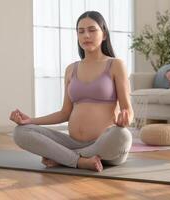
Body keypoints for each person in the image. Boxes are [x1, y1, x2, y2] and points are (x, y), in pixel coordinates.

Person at [9, 11, 133, 172]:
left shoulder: (115, 65)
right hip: (73, 142)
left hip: (104, 144)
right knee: (20, 132)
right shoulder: (71, 69)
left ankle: (65, 158)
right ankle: (80, 160)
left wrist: (125, 120)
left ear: (104, 35)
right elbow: (64, 113)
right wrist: (30, 120)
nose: (86, 35)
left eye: (92, 30)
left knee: (123, 136)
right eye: (81, 31)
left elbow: (128, 110)